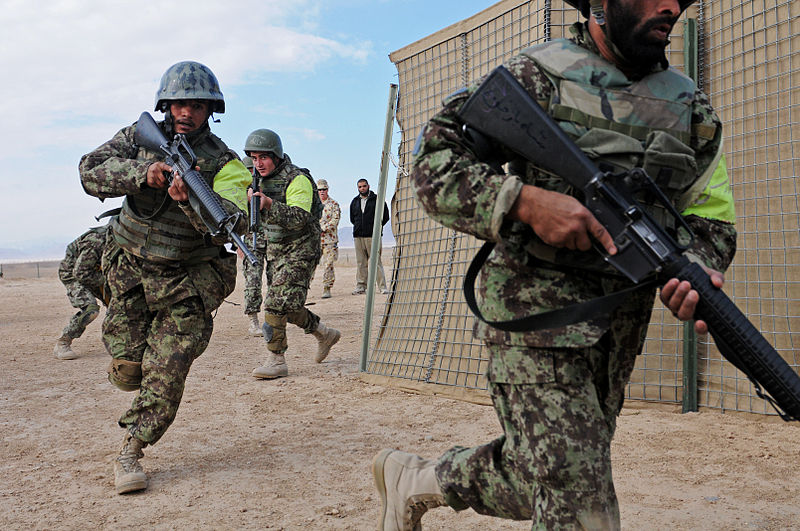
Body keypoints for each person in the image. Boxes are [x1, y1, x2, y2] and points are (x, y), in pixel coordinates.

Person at [372, 0, 737, 529]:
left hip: (617, 325)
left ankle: (418, 480)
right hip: (533, 316)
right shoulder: (539, 72)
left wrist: (698, 268)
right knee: (578, 497)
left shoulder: (690, 107)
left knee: (538, 478)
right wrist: (521, 201)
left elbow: (712, 214)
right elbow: (433, 162)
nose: (670, 6)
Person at [79, 61, 252, 495]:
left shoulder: (226, 163)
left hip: (186, 282)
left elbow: (232, 217)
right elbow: (89, 169)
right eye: (180, 103)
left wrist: (191, 202)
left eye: (198, 105)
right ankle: (129, 363)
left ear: (210, 109)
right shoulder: (139, 138)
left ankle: (131, 450)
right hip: (129, 270)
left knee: (166, 371)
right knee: (128, 369)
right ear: (165, 103)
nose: (187, 112)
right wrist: (143, 175)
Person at [244, 128, 341, 379]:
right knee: (289, 306)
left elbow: (299, 217)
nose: (258, 163)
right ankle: (324, 333)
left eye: (263, 157)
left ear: (275, 155)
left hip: (302, 249)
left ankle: (276, 359)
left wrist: (268, 204)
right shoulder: (254, 179)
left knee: (275, 302)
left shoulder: (297, 178)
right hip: (277, 251)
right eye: (254, 158)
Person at [54, 223, 111, 360]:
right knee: (90, 310)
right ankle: (63, 342)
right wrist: (109, 281)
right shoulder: (97, 240)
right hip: (73, 274)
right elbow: (81, 273)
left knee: (121, 303)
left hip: (96, 273)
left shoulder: (128, 241)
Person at [239, 153, 271, 336]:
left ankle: (273, 320)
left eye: (254, 171)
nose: (253, 174)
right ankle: (253, 321)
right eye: (249, 171)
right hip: (251, 242)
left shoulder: (269, 186)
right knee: (253, 281)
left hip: (271, 240)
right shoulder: (241, 192)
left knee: (275, 281)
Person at [349, 178, 390, 295]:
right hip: (358, 236)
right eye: (360, 187)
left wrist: (376, 229)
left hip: (373, 236)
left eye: (364, 186)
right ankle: (361, 286)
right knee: (361, 262)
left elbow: (385, 216)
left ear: (368, 186)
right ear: (358, 188)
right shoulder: (354, 201)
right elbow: (353, 218)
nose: (362, 188)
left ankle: (382, 287)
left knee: (376, 261)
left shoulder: (377, 200)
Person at [317, 178, 341, 299]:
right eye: (320, 189)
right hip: (315, 240)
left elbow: (335, 220)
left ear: (328, 189)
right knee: (309, 264)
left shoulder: (333, 204)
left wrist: (322, 228)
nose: (322, 192)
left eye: (324, 189)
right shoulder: (313, 205)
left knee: (328, 264)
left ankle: (327, 288)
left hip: (329, 240)